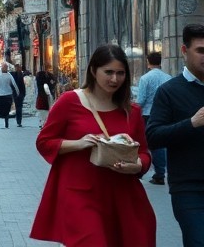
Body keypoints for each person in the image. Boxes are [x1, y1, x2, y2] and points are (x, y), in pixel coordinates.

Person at [30, 44, 155, 247]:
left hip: (124, 197)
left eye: (120, 73)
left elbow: (143, 153)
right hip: (81, 196)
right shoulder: (70, 101)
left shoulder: (132, 111)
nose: (114, 79)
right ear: (93, 70)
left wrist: (139, 165)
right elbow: (44, 142)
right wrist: (79, 144)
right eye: (108, 72)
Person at [147, 23, 204, 247]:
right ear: (184, 50)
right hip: (189, 189)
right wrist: (191, 123)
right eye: (200, 50)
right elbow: (153, 136)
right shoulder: (169, 91)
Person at [135, 50, 171, 186]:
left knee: (149, 143)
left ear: (148, 62)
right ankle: (162, 171)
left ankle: (156, 172)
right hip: (165, 114)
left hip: (148, 114)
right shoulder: (168, 77)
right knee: (163, 142)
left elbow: (141, 99)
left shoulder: (145, 78)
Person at [0, 63, 18, 128]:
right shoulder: (7, 75)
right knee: (6, 109)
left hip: (3, 94)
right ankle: (5, 118)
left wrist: (17, 92)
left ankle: (5, 119)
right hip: (6, 94)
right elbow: (14, 84)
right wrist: (17, 93)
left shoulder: (0, 75)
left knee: (4, 108)